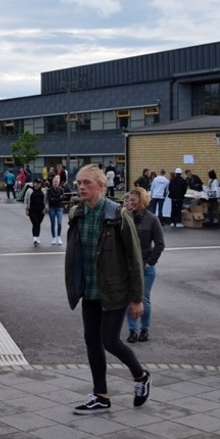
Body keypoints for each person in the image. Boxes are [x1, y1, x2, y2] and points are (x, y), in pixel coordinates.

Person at [65, 166, 150, 414]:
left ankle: (141, 375)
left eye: (87, 183)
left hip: (114, 290)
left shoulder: (118, 215)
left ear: (101, 186)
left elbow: (134, 259)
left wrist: (136, 298)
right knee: (92, 341)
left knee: (110, 340)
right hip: (89, 289)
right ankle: (101, 395)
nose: (81, 187)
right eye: (79, 182)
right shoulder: (77, 213)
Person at [123, 188, 165, 343]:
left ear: (142, 201)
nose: (130, 203)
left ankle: (144, 329)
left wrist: (150, 263)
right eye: (129, 200)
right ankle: (132, 330)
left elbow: (160, 244)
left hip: (145, 266)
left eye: (133, 200)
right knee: (130, 299)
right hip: (128, 266)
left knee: (143, 298)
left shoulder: (152, 219)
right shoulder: (125, 218)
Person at [24, 179, 47, 246]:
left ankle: (38, 236)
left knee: (38, 224)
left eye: (39, 183)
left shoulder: (43, 190)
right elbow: (26, 199)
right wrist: (26, 209)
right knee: (35, 223)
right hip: (32, 210)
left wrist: (45, 208)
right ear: (33, 184)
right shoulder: (29, 190)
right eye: (36, 183)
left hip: (41, 209)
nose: (37, 185)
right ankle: (34, 237)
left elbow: (46, 200)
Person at [47, 176, 66, 245]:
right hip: (52, 207)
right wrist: (58, 198)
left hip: (59, 208)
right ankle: (53, 237)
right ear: (52, 182)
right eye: (54, 182)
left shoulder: (61, 190)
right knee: (53, 223)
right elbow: (49, 199)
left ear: (59, 183)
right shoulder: (49, 190)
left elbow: (62, 198)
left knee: (59, 223)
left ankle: (59, 237)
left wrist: (54, 199)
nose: (55, 183)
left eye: (57, 182)